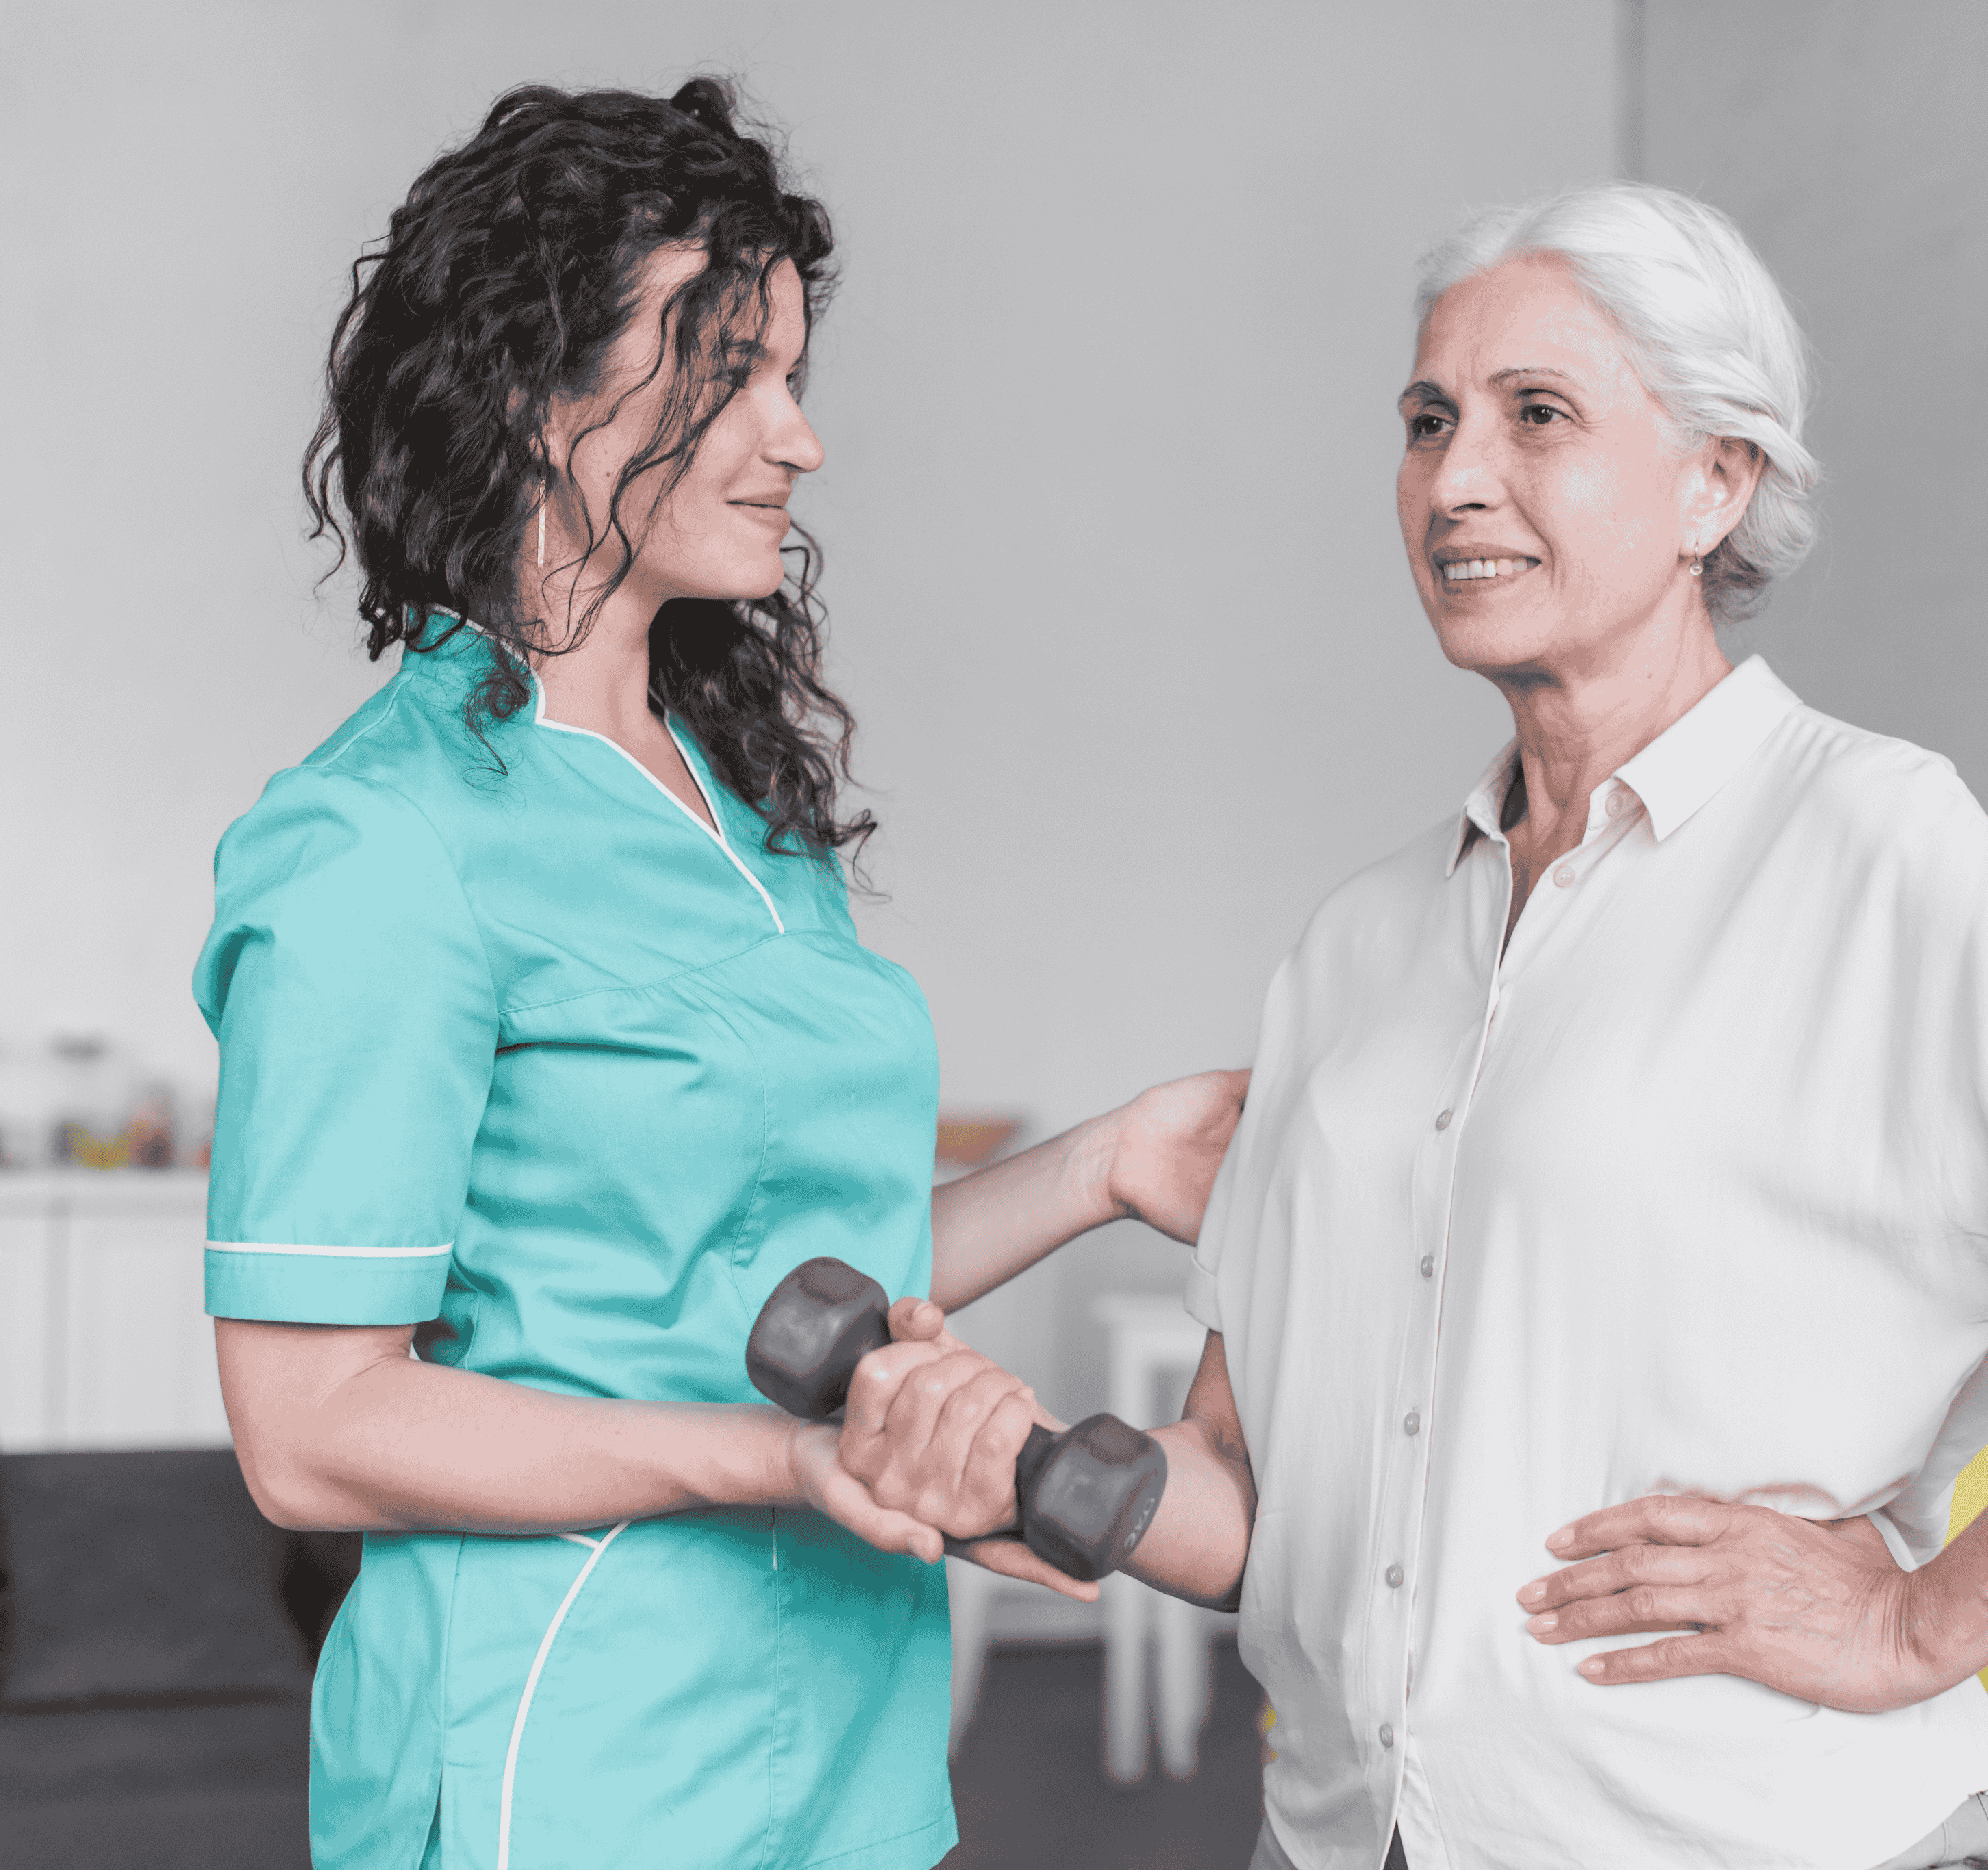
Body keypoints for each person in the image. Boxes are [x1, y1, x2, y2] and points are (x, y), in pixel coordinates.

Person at [855, 183, 1988, 1870]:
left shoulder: (1872, 849)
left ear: (1713, 482)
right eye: (1426, 419)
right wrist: (1029, 1468)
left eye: (1538, 416)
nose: (1455, 476)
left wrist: (1916, 1627)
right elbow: (1265, 1501)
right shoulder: (1359, 944)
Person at [197, 80, 1243, 1870]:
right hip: (574, 1740)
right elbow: (310, 1430)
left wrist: (1104, 1166)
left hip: (846, 1720)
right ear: (541, 390)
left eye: (797, 377)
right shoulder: (383, 841)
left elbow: (755, 1266)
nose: (798, 438)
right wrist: (770, 1463)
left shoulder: (736, 798)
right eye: (733, 369)